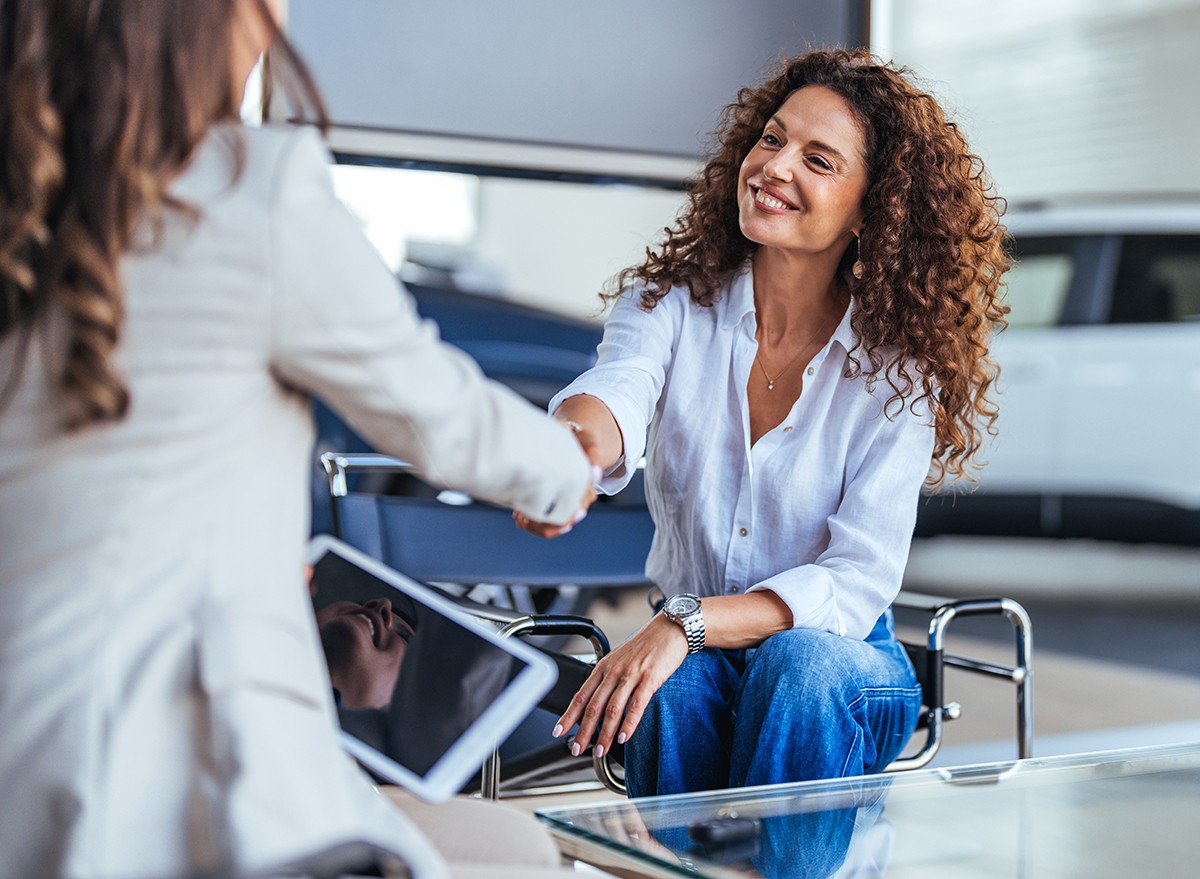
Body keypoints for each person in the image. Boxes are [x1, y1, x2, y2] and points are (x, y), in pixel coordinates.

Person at [0, 2, 599, 877]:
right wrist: (568, 474)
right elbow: (443, 413)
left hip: (26, 742)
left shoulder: (27, 190)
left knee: (506, 842)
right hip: (169, 770)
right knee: (524, 855)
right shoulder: (247, 191)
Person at [520, 48, 1011, 796]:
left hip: (845, 662)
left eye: (818, 159)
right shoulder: (671, 304)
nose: (775, 166)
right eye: (773, 139)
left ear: (870, 210)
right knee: (676, 690)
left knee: (798, 664)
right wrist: (572, 452)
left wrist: (684, 622)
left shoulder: (898, 370)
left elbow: (853, 583)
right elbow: (617, 388)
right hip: (696, 650)